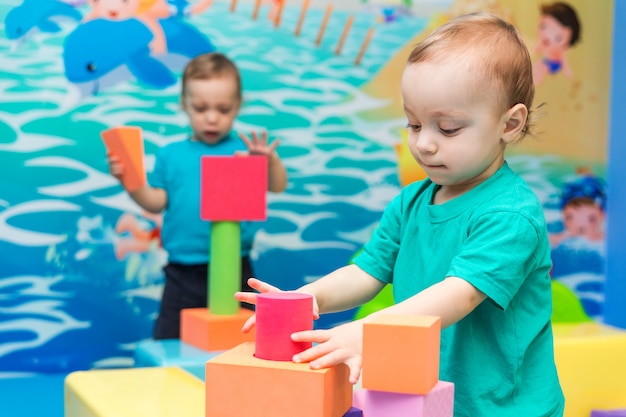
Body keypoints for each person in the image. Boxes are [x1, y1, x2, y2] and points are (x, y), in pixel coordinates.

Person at [236, 13, 564, 416]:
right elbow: (366, 273)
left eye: (447, 129)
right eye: (413, 123)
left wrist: (367, 333)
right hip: (422, 397)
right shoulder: (411, 202)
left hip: (502, 408)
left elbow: (459, 294)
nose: (423, 144)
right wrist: (308, 297)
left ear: (509, 124)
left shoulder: (511, 216)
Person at [108, 52, 288, 340]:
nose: (212, 118)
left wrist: (269, 163)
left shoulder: (242, 153)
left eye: (224, 109)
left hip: (236, 266)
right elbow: (156, 201)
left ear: (238, 106)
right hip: (183, 270)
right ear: (185, 105)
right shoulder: (171, 154)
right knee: (171, 338)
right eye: (201, 108)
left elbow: (277, 186)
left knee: (241, 341)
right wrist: (131, 183)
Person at [532, 1, 581, 86]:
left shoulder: (560, 53)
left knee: (540, 66)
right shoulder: (542, 44)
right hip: (545, 62)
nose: (547, 37)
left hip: (554, 65)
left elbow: (564, 62)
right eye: (543, 27)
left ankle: (532, 83)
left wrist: (568, 73)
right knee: (539, 66)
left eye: (558, 37)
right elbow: (535, 50)